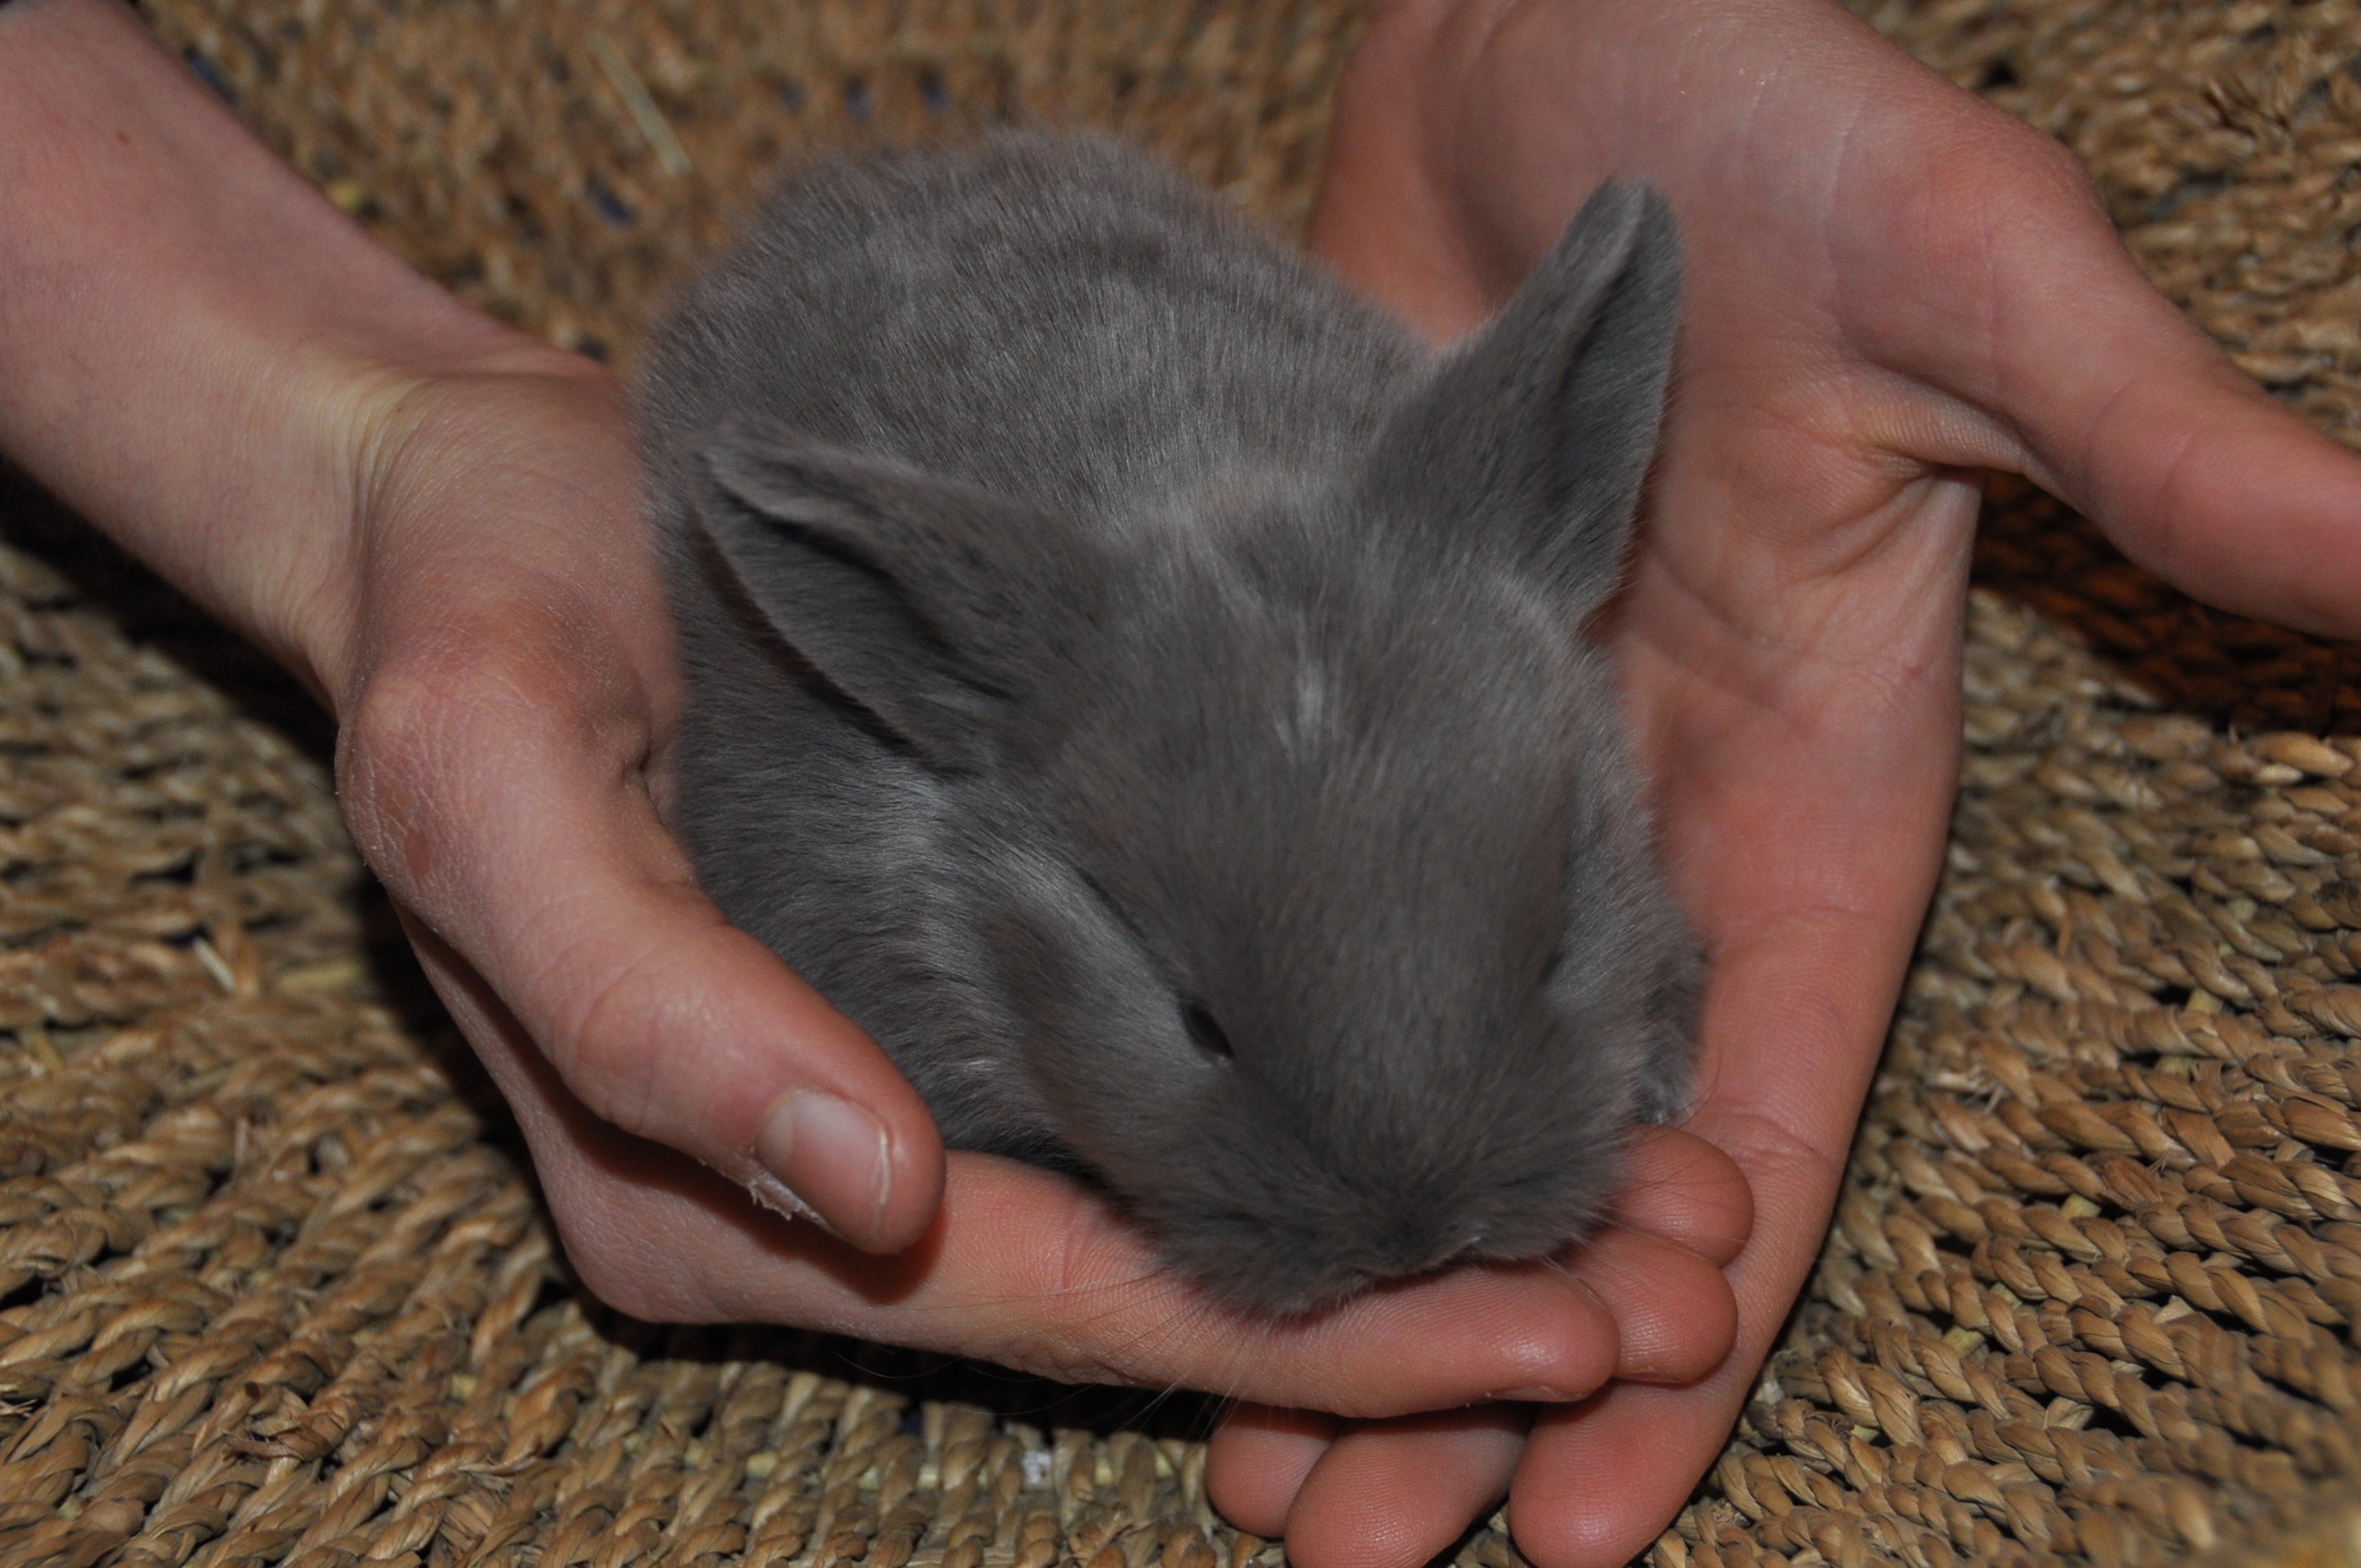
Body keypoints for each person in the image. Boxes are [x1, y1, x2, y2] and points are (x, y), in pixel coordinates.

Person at [3, 0, 2357, 1564]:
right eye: (1211, 1024)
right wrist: (361, 451)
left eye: (1551, 933)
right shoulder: (886, 822)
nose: (1416, 1215)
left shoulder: (1508, 643)